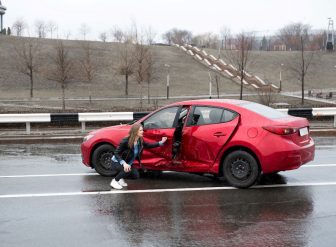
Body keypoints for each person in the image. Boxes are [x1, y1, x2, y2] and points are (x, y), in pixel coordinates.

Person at [110, 123, 167, 189]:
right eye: (140, 130)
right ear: (135, 131)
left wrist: (161, 142)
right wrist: (124, 163)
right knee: (128, 169)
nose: (142, 131)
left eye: (142, 130)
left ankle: (120, 178)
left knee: (135, 175)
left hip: (127, 163)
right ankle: (114, 181)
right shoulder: (126, 141)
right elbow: (116, 153)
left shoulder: (140, 140)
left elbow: (148, 145)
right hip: (116, 162)